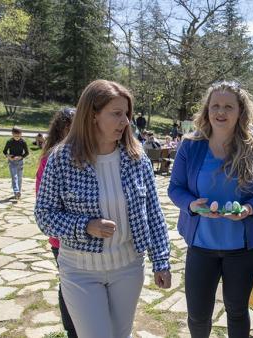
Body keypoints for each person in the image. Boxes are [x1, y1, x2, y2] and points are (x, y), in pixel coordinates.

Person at [34, 80, 171, 338]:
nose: (126, 121)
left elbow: (153, 213)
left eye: (127, 114)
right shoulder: (62, 158)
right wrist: (85, 226)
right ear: (93, 114)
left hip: (128, 269)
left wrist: (161, 260)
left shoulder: (136, 157)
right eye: (117, 114)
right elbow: (44, 215)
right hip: (79, 271)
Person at [168, 80, 253, 337]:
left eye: (228, 106)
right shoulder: (191, 145)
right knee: (197, 314)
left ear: (241, 111)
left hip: (243, 248)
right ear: (206, 110)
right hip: (201, 245)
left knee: (237, 310)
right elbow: (175, 188)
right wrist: (190, 204)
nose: (221, 112)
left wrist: (250, 208)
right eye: (215, 106)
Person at [35, 107, 77, 338]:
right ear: (60, 130)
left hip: (86, 239)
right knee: (68, 283)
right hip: (61, 238)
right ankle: (71, 329)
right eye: (70, 130)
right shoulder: (51, 159)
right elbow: (43, 203)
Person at [3, 126, 29, 199]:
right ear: (12, 134)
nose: (17, 137)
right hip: (12, 162)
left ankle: (18, 193)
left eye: (18, 136)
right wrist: (8, 156)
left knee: (20, 178)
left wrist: (21, 157)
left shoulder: (23, 142)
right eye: (15, 136)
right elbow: (4, 151)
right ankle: (16, 191)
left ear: (21, 134)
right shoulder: (9, 142)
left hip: (20, 162)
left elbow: (27, 152)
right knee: (14, 177)